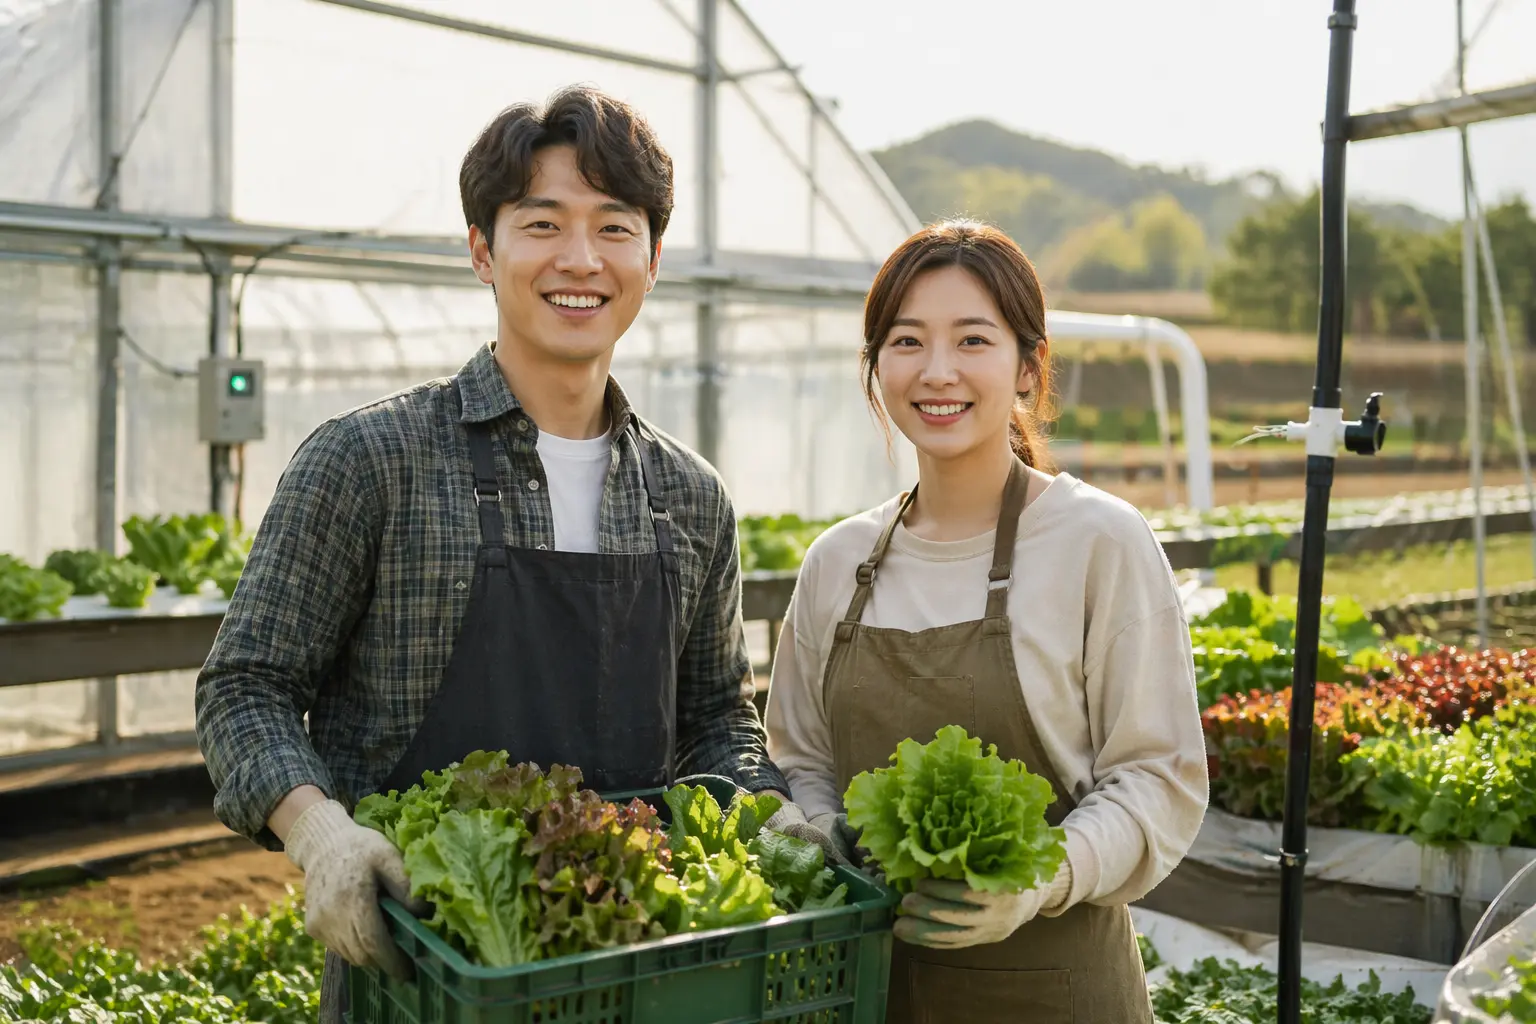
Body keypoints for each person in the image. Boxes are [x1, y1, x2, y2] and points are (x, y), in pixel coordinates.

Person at [194, 85, 835, 1023]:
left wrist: (773, 813)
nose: (581, 259)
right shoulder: (371, 461)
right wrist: (320, 833)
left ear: (651, 261)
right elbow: (243, 685)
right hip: (417, 973)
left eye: (614, 228)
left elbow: (711, 720)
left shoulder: (690, 497)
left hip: (634, 967)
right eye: (543, 223)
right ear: (483, 250)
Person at [764, 220, 1208, 1023]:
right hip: (865, 988)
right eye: (906, 342)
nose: (938, 372)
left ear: (1029, 369)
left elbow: (1157, 777)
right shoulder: (837, 563)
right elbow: (798, 759)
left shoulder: (1098, 540)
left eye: (973, 340)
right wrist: (831, 841)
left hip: (1061, 990)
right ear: (876, 368)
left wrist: (1040, 876)